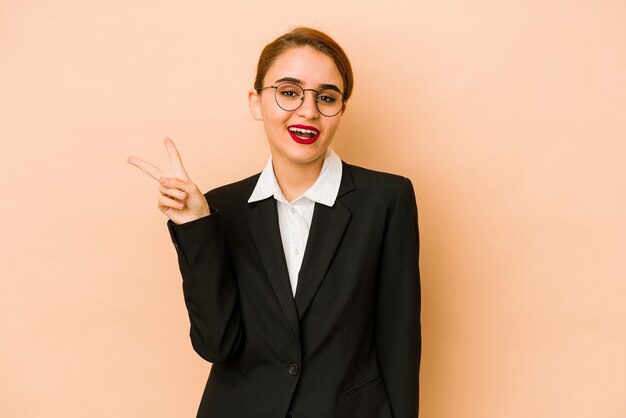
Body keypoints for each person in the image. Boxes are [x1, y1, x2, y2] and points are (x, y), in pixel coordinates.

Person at [128, 27, 420, 418]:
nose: (308, 110)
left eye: (327, 97)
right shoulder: (222, 207)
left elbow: (399, 340)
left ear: (341, 110)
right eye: (288, 92)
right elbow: (217, 345)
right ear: (256, 102)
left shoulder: (387, 199)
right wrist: (195, 226)